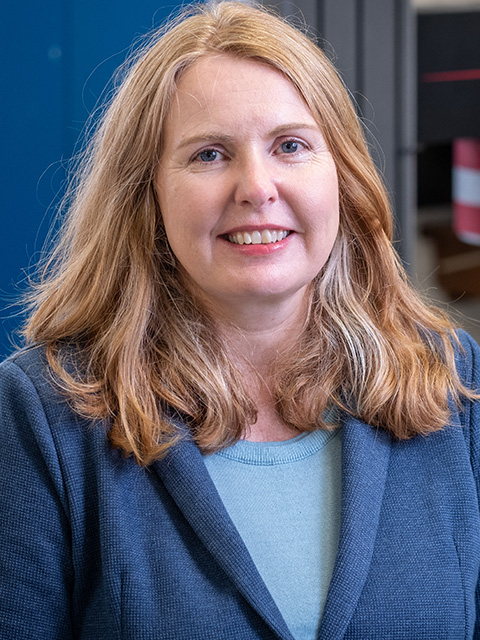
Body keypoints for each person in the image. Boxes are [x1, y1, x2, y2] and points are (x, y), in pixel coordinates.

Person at [1, 2, 479, 638]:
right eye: (209, 154)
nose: (257, 186)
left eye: (290, 145)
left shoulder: (451, 379)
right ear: (147, 196)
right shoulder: (43, 415)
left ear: (342, 175)